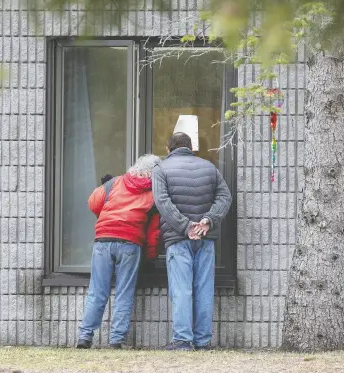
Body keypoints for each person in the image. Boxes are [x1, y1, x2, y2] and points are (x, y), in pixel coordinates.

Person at [152, 132, 232, 351]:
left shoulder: (160, 170)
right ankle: (203, 341)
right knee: (204, 289)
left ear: (169, 148)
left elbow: (162, 202)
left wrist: (185, 226)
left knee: (181, 290)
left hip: (178, 239)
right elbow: (225, 197)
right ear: (191, 147)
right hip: (205, 239)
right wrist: (208, 220)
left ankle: (183, 340)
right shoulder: (209, 167)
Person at [77, 154, 161, 349]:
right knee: (124, 292)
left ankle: (85, 336)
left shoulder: (115, 183)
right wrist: (149, 256)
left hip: (103, 240)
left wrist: (108, 218)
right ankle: (116, 340)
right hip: (130, 244)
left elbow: (93, 202)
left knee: (97, 291)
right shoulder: (154, 195)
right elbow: (154, 234)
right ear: (152, 173)